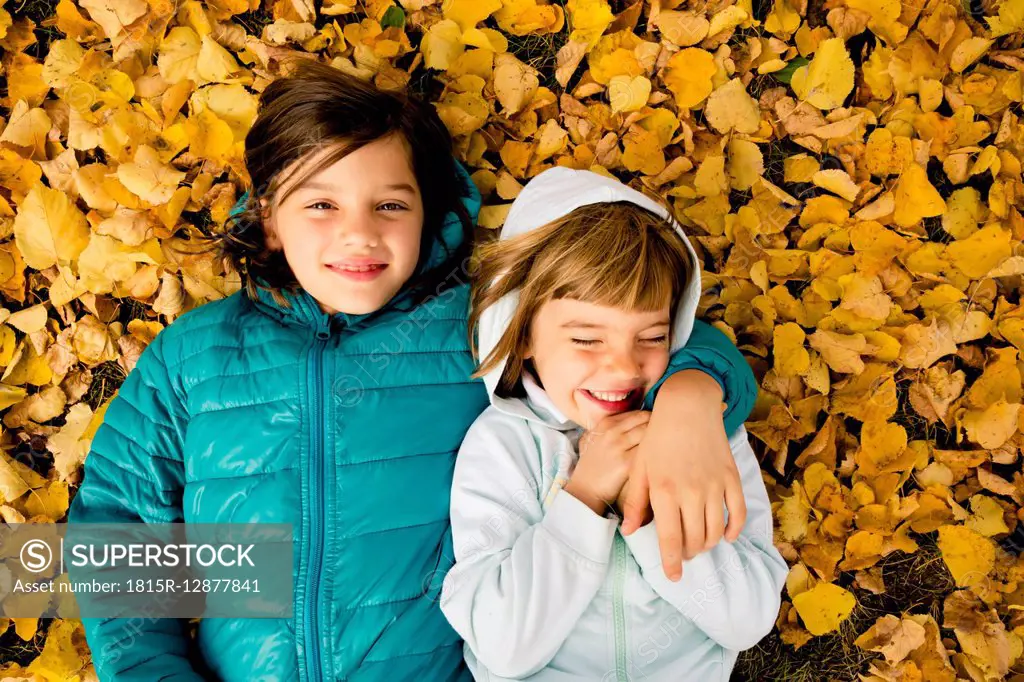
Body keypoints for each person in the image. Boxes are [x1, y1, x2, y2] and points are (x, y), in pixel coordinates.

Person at [69, 61, 757, 681]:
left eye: (390, 205)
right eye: (321, 205)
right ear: (270, 219)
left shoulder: (476, 329)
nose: (359, 234)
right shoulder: (194, 355)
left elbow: (638, 336)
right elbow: (111, 527)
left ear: (427, 211)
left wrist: (692, 398)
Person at [440, 167, 788, 681]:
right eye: (585, 340)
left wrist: (648, 512)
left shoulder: (710, 437)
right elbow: (504, 645)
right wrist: (583, 498)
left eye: (650, 337)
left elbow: (747, 620)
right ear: (524, 334)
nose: (624, 367)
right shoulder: (504, 445)